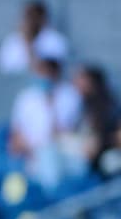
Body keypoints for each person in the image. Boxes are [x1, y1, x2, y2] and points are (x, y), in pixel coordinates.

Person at [9, 56, 85, 188]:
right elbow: (16, 136)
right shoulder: (26, 97)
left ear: (56, 72)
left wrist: (51, 106)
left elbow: (66, 133)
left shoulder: (70, 96)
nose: (43, 76)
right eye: (40, 71)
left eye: (47, 71)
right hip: (30, 156)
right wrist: (30, 150)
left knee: (50, 160)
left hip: (62, 153)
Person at [0, 0, 71, 76]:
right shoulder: (12, 41)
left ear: (43, 18)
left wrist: (29, 44)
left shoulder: (56, 41)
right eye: (27, 16)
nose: (30, 21)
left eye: (33, 16)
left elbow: (49, 71)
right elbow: (3, 69)